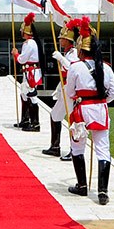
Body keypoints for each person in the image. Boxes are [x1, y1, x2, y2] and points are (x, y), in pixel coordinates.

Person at [62, 17, 114, 205]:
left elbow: (69, 92)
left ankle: (82, 185)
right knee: (103, 149)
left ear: (80, 49)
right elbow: (113, 92)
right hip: (100, 109)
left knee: (77, 147)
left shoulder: (75, 67)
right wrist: (101, 101)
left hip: (82, 110)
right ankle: (103, 191)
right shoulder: (106, 68)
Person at [45, 18, 80, 158]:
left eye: (62, 38)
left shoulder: (75, 53)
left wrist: (61, 59)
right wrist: (59, 88)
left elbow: (73, 69)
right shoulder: (68, 53)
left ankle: (75, 150)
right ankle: (55, 146)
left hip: (72, 90)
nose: (60, 40)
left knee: (73, 120)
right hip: (65, 88)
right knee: (55, 115)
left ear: (68, 40)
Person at [12, 12, 43, 132]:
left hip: (31, 72)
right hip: (28, 72)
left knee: (32, 96)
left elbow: (22, 59)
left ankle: (35, 123)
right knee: (24, 94)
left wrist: (16, 54)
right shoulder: (30, 43)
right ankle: (25, 119)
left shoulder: (29, 44)